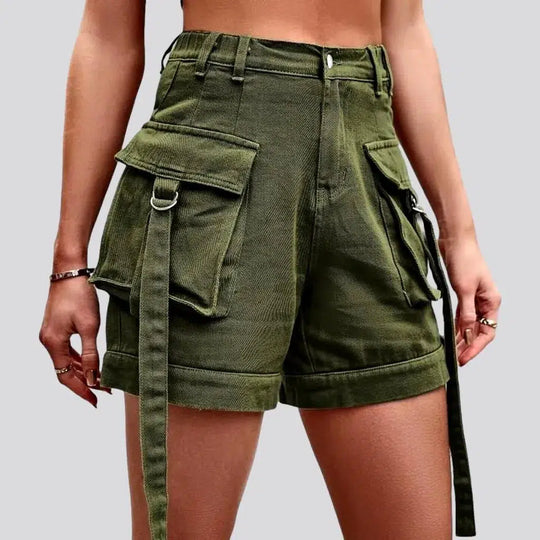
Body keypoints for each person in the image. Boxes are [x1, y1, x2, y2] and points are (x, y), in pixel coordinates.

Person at [39, 0, 501, 538]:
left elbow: (405, 29)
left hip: (369, 166)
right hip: (214, 162)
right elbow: (108, 38)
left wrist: (460, 234)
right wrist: (69, 263)